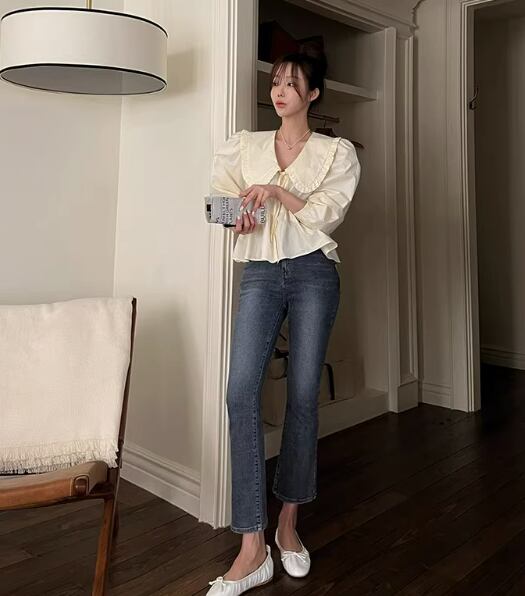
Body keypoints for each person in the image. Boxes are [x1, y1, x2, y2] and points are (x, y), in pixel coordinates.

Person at [206, 46, 361, 595]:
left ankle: (288, 526)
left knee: (301, 397)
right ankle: (253, 546)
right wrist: (239, 216)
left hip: (315, 272)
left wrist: (275, 192)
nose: (280, 90)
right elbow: (216, 205)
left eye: (293, 83)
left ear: (312, 94)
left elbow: (324, 215)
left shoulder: (336, 152)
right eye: (276, 80)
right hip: (261, 274)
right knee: (240, 391)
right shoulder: (244, 146)